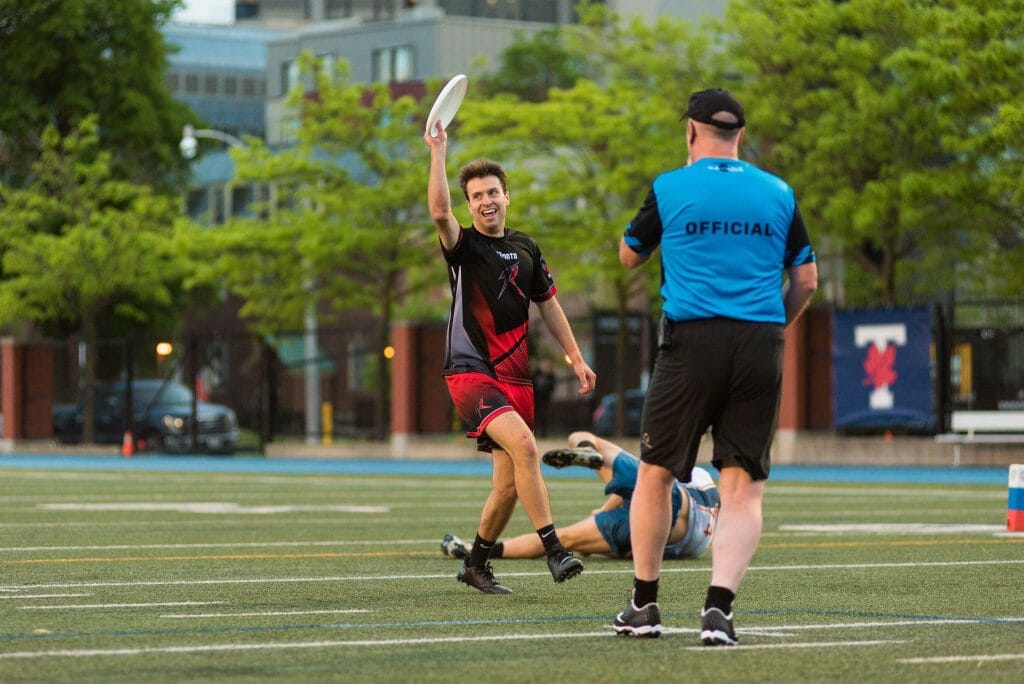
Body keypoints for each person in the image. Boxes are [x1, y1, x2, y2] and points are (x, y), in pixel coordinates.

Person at [614, 88, 818, 642]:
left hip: (690, 343)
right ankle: (719, 611)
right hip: (760, 342)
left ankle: (644, 604)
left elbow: (630, 254)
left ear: (690, 132)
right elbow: (806, 281)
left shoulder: (670, 186)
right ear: (741, 137)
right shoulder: (778, 191)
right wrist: (773, 328)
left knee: (655, 473)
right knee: (742, 485)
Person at [424, 118, 598, 595]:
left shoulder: (526, 247)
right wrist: (438, 151)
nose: (486, 201)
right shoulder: (462, 245)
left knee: (505, 486)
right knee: (525, 448)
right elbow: (439, 214)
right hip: (470, 372)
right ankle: (555, 550)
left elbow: (550, 304)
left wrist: (576, 358)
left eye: (492, 192)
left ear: (507, 196)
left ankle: (475, 565)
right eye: (476, 195)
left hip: (515, 378)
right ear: (470, 205)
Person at [440, 430, 719, 562]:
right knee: (660, 488)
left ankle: (590, 450)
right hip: (689, 528)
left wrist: (601, 513)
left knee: (563, 538)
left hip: (669, 514)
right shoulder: (700, 477)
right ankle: (593, 456)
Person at [531, 358, 557, 437]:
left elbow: (552, 387)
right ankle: (534, 432)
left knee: (544, 416)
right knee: (535, 416)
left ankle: (543, 432)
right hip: (536, 399)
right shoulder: (535, 374)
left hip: (545, 399)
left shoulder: (551, 376)